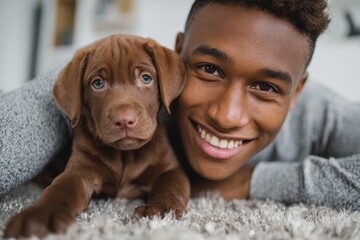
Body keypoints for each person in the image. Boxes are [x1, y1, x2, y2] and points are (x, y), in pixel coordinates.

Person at [0, 0, 359, 211]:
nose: (226, 115)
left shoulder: (321, 114)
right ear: (178, 52)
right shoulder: (110, 84)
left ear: (297, 93)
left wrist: (250, 181)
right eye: (208, 69)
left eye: (265, 87)